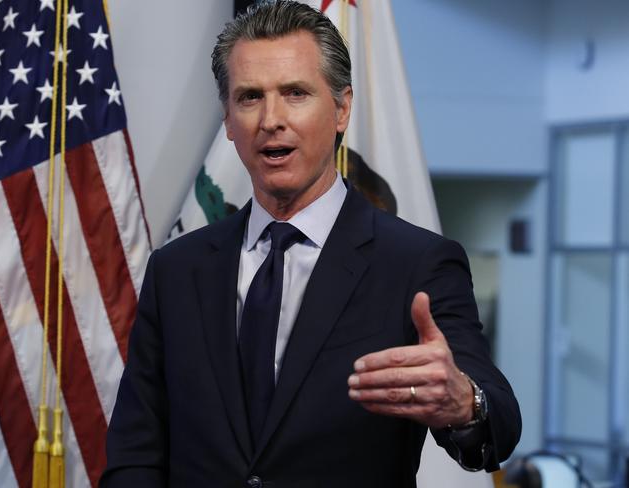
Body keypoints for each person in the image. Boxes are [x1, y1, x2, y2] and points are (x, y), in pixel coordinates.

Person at [101, 1, 521, 486]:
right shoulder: (176, 269)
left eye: (295, 93)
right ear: (228, 121)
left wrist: (464, 402)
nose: (270, 119)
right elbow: (136, 452)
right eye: (250, 97)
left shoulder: (417, 263)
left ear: (341, 110)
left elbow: (498, 423)